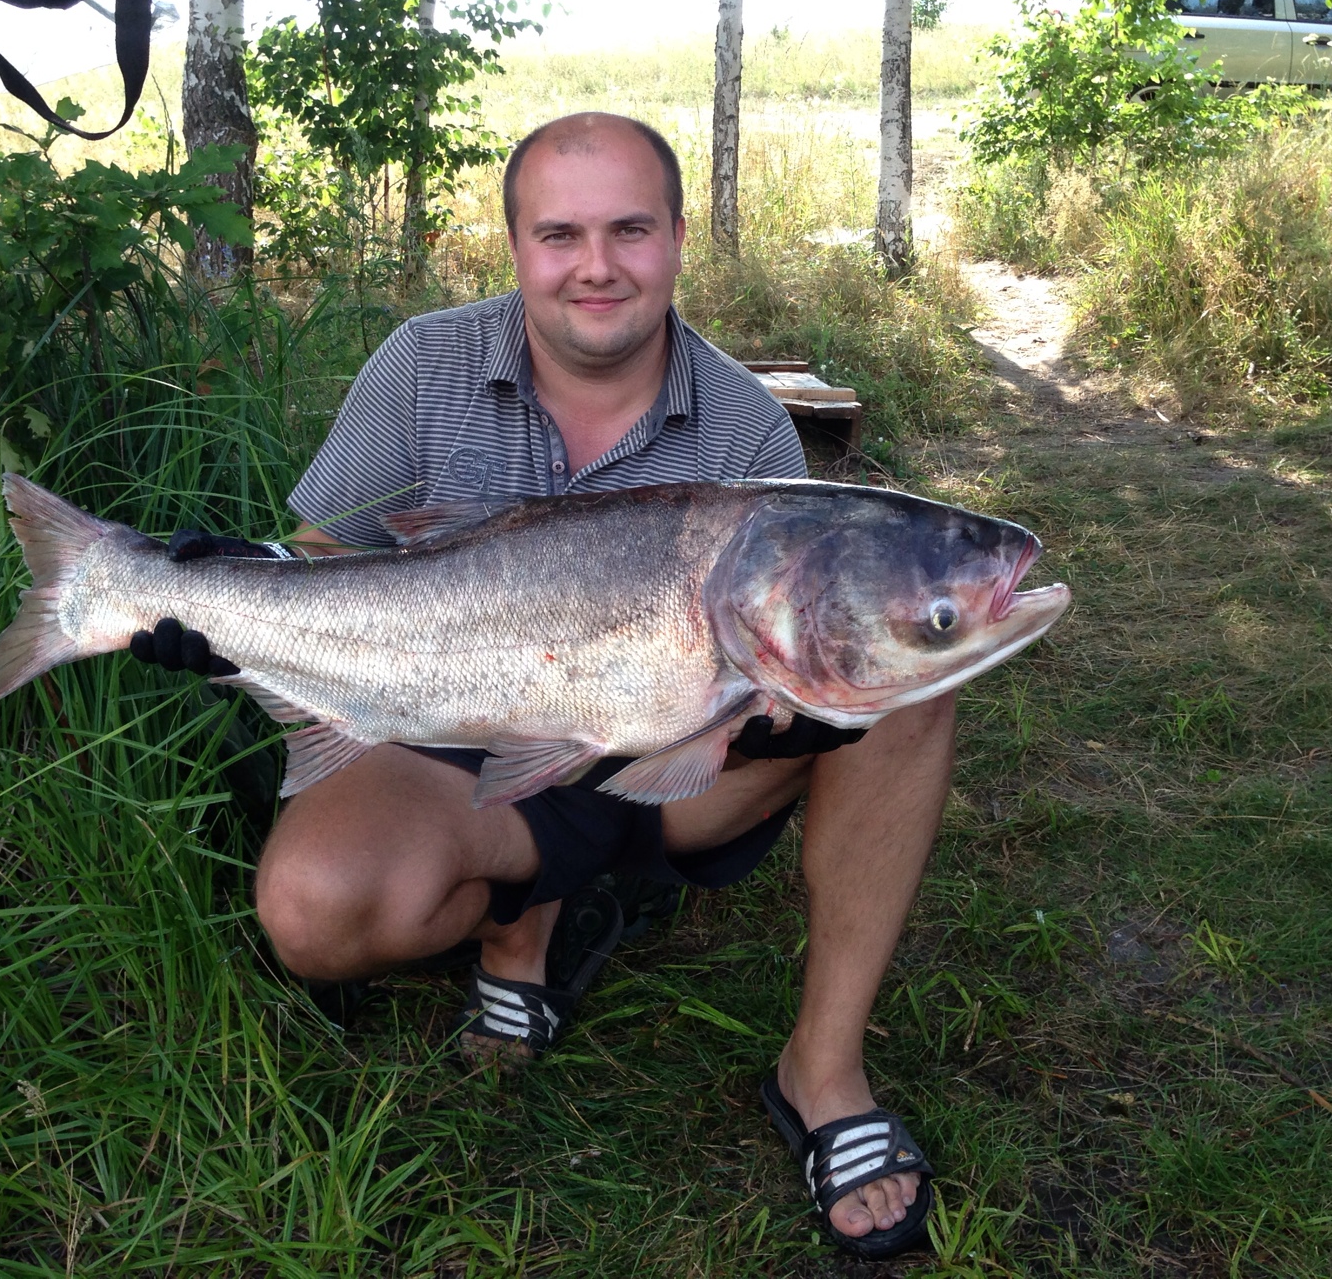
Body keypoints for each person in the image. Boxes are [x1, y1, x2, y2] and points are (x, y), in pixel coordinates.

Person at [135, 112, 959, 1259]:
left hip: (663, 762)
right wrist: (235, 603)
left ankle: (822, 1071)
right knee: (312, 914)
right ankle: (530, 917)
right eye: (560, 234)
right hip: (450, 745)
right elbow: (326, 565)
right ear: (517, 246)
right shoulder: (423, 363)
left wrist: (775, 713)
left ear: (678, 238)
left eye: (631, 229)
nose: (597, 265)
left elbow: (795, 643)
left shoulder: (744, 428)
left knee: (906, 682)